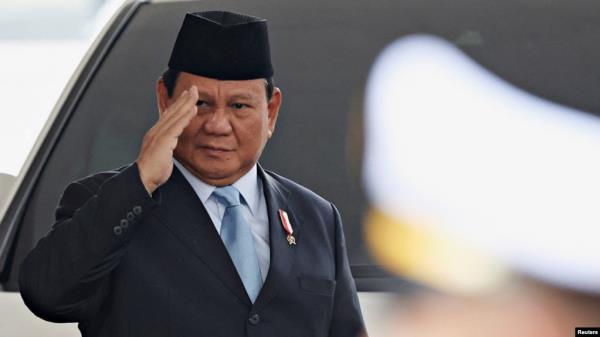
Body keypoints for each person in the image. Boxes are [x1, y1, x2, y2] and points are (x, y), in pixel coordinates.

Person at [18, 10, 365, 337]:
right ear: (165, 101)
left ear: (271, 112)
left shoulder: (316, 218)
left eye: (239, 106)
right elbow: (46, 294)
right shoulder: (110, 201)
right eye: (199, 103)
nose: (217, 125)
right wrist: (141, 181)